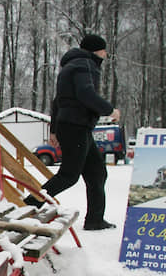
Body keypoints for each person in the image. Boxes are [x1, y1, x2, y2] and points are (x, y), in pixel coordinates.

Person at [25, 34, 122, 230]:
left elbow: (57, 101)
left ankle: (95, 219)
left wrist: (54, 130)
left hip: (76, 126)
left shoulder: (72, 66)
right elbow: (86, 94)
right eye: (104, 50)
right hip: (76, 126)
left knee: (97, 172)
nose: (105, 54)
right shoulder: (85, 65)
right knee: (69, 175)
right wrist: (109, 110)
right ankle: (28, 205)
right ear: (97, 50)